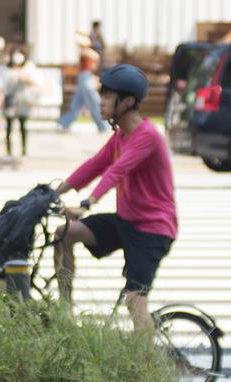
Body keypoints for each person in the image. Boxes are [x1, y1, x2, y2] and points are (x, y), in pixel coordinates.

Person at [54, 64, 176, 331]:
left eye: (108, 96)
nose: (101, 101)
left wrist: (86, 204)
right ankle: (65, 315)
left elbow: (116, 171)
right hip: (127, 222)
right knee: (64, 234)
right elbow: (96, 164)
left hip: (151, 230)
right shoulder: (121, 135)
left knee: (134, 301)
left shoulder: (148, 136)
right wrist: (54, 191)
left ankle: (150, 366)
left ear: (128, 101)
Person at [57, 38, 109, 133]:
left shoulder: (87, 52)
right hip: (84, 78)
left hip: (86, 78)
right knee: (93, 104)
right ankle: (103, 126)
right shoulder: (84, 53)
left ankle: (64, 123)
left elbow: (95, 57)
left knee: (79, 105)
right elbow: (93, 58)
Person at [1, 48, 39, 161]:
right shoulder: (6, 69)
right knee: (8, 128)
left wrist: (24, 77)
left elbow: (35, 82)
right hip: (10, 100)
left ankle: (23, 152)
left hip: (23, 101)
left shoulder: (28, 68)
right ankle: (8, 152)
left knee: (23, 127)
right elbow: (3, 85)